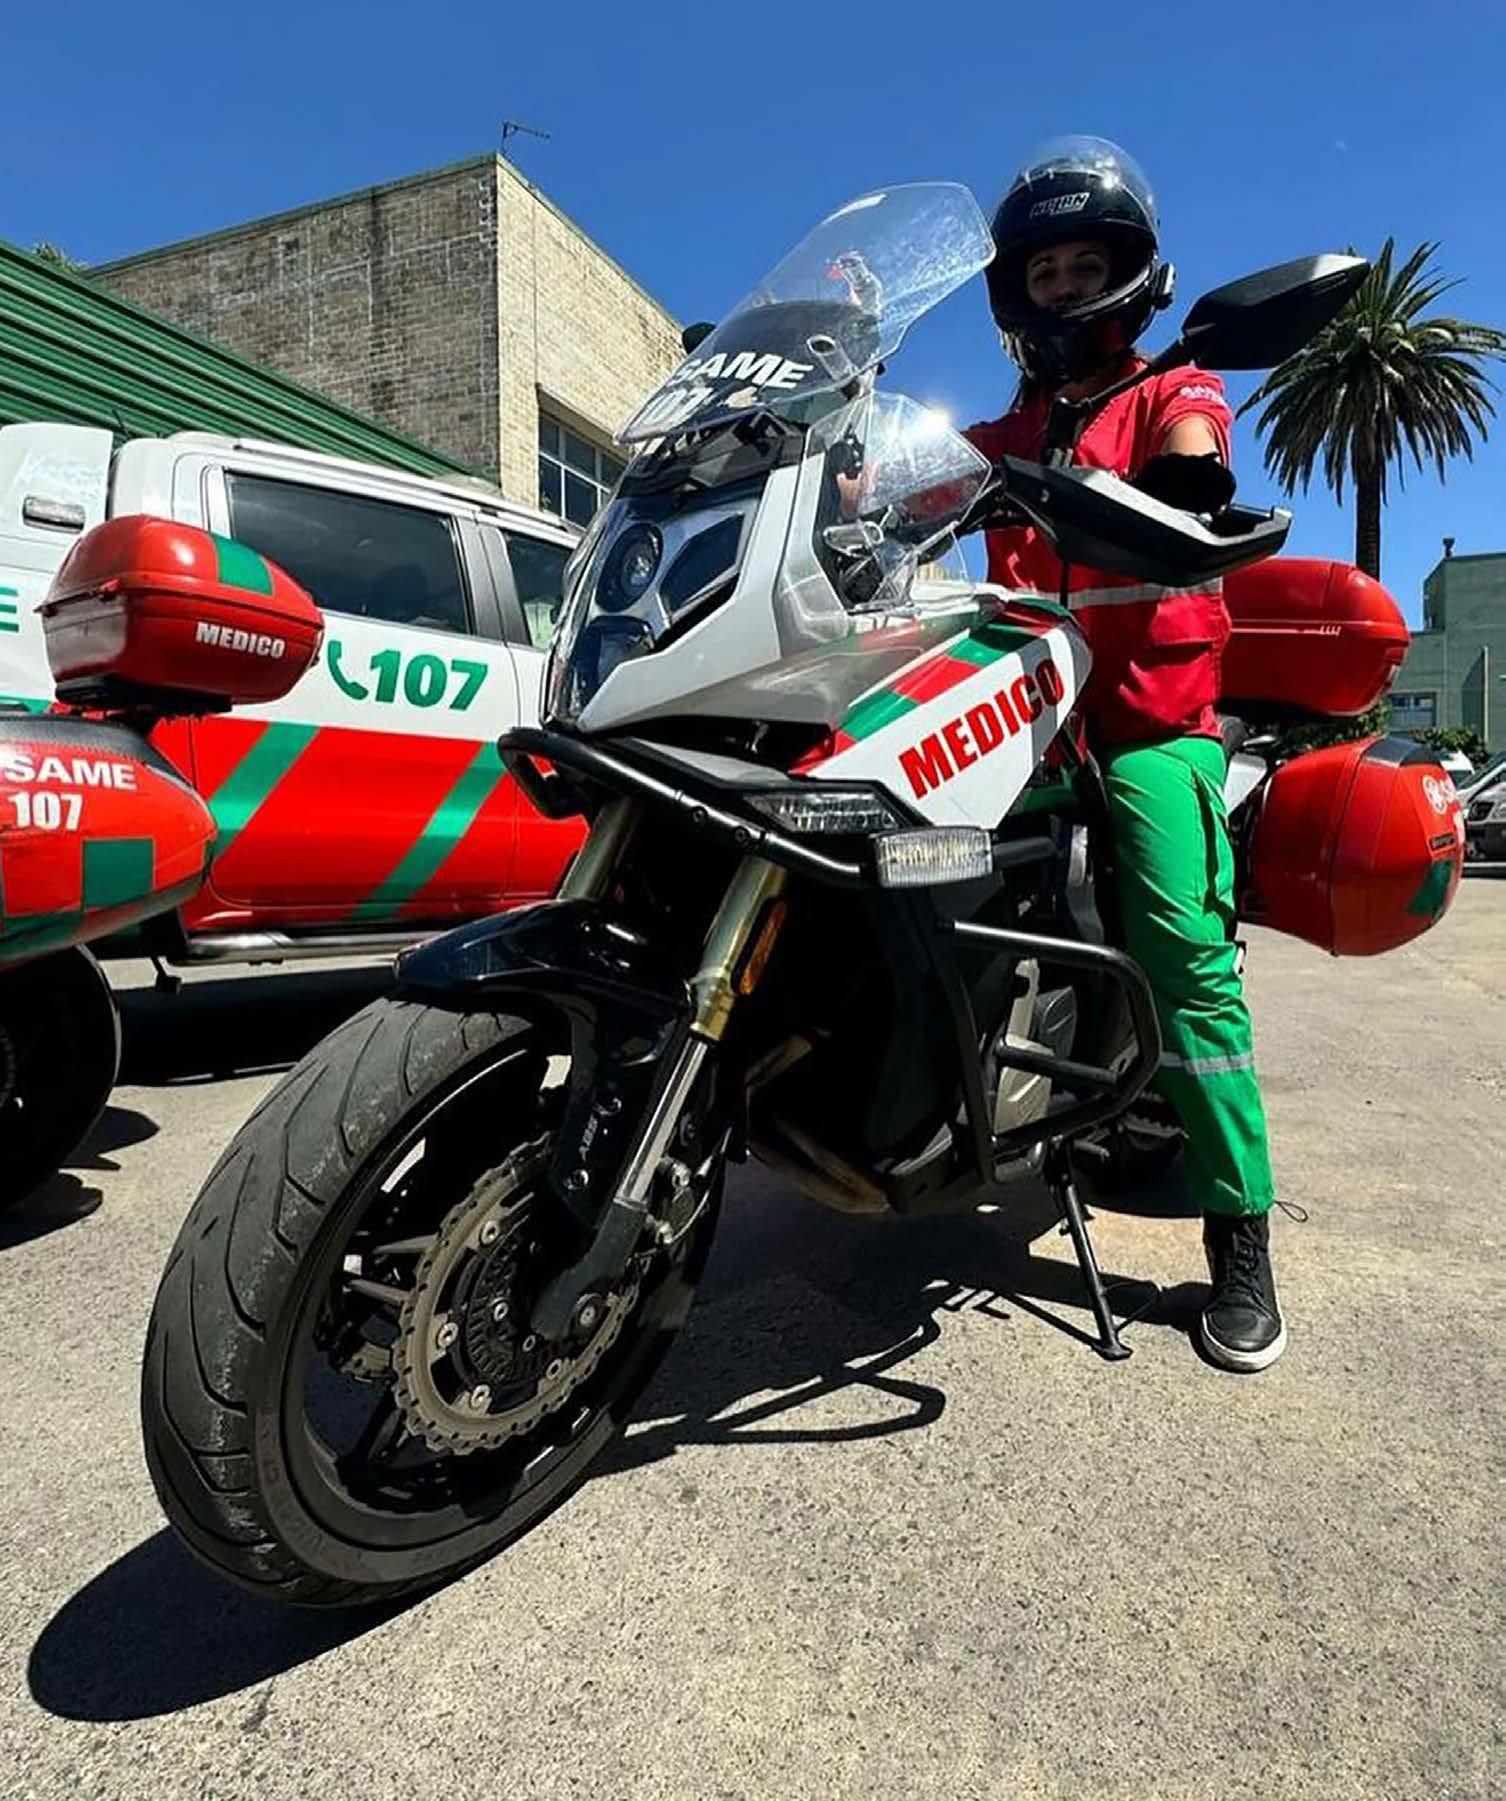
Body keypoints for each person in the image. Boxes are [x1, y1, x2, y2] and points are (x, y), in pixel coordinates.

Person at [965, 136, 1286, 1372]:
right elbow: (916, 476)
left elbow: (1198, 447)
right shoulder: (1008, 430)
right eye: (1043, 272)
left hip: (1151, 726)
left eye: (1083, 268)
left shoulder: (1171, 390)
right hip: (1024, 728)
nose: (1061, 288)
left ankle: (1241, 1236)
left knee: (1179, 953)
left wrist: (1185, 480)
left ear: (1130, 277)